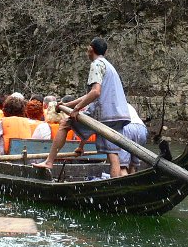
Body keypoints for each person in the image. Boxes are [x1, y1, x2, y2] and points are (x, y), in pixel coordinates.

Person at [34, 37, 130, 177]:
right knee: (112, 153)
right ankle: (118, 185)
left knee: (65, 124)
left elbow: (95, 92)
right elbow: (90, 95)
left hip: (103, 114)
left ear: (91, 49)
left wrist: (76, 109)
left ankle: (49, 162)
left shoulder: (96, 64)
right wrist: (67, 105)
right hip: (118, 115)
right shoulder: (109, 66)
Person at [119, 103, 147, 175]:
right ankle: (132, 182)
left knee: (122, 166)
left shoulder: (110, 103)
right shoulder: (127, 104)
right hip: (142, 129)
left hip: (127, 128)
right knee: (133, 165)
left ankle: (124, 184)